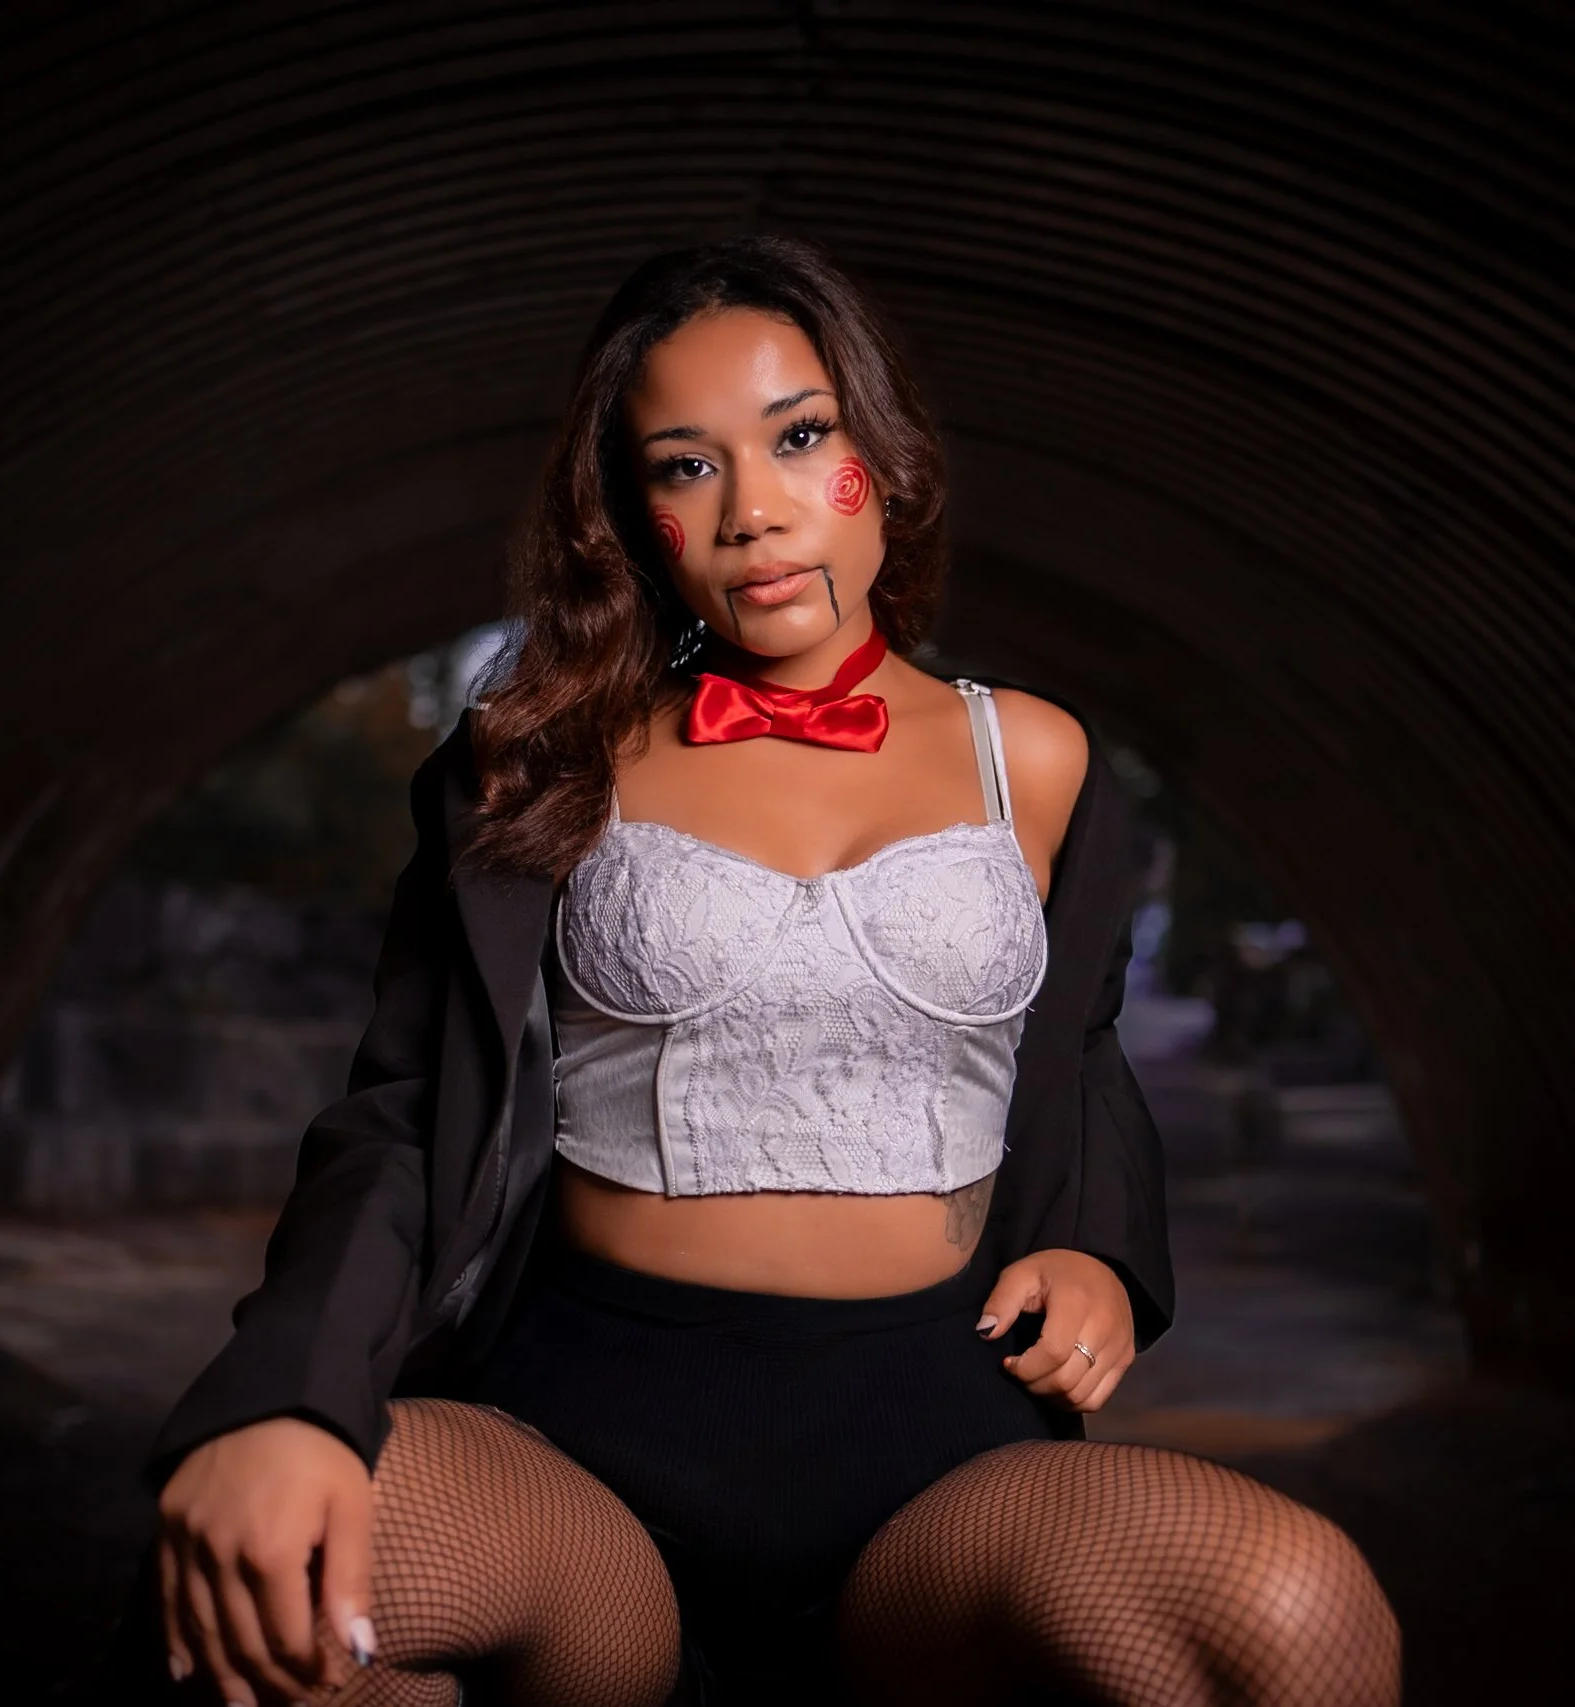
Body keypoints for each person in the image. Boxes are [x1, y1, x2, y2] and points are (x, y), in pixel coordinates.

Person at [132, 237, 1400, 1706]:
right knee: (265, 1609)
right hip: (580, 1454)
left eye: (799, 436)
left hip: (937, 1460)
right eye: (683, 467)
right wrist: (290, 1395)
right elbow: (409, 1113)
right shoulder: (538, 765)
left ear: (880, 446)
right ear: (629, 513)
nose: (752, 510)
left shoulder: (1034, 759)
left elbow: (1078, 1042)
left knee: (1293, 1618)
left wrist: (1094, 1241)